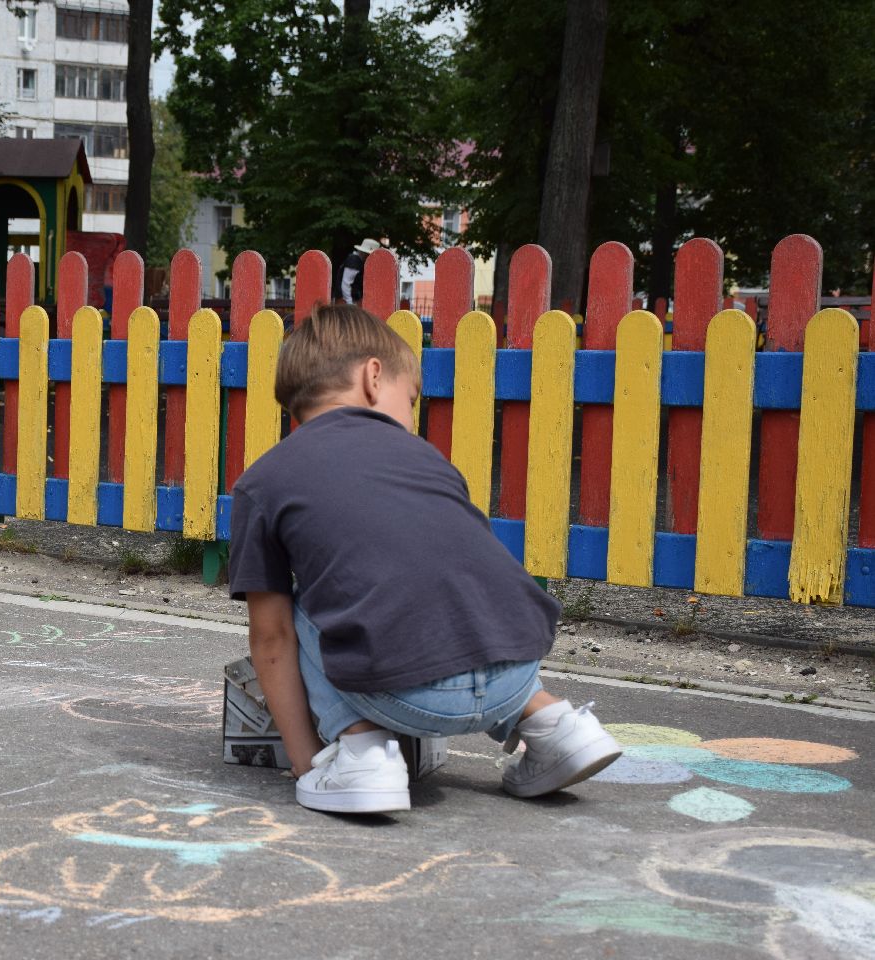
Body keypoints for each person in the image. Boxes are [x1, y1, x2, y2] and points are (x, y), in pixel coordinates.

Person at [228, 304, 620, 814]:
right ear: (373, 377)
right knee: (459, 586)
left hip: (402, 695)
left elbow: (272, 640)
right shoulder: (429, 459)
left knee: (296, 603)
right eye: (410, 400)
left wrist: (304, 759)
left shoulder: (264, 481)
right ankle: (557, 727)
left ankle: (362, 754)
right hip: (515, 670)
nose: (411, 417)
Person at [339, 238, 380, 304]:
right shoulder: (354, 261)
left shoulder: (360, 262)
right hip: (347, 301)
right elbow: (346, 284)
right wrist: (349, 303)